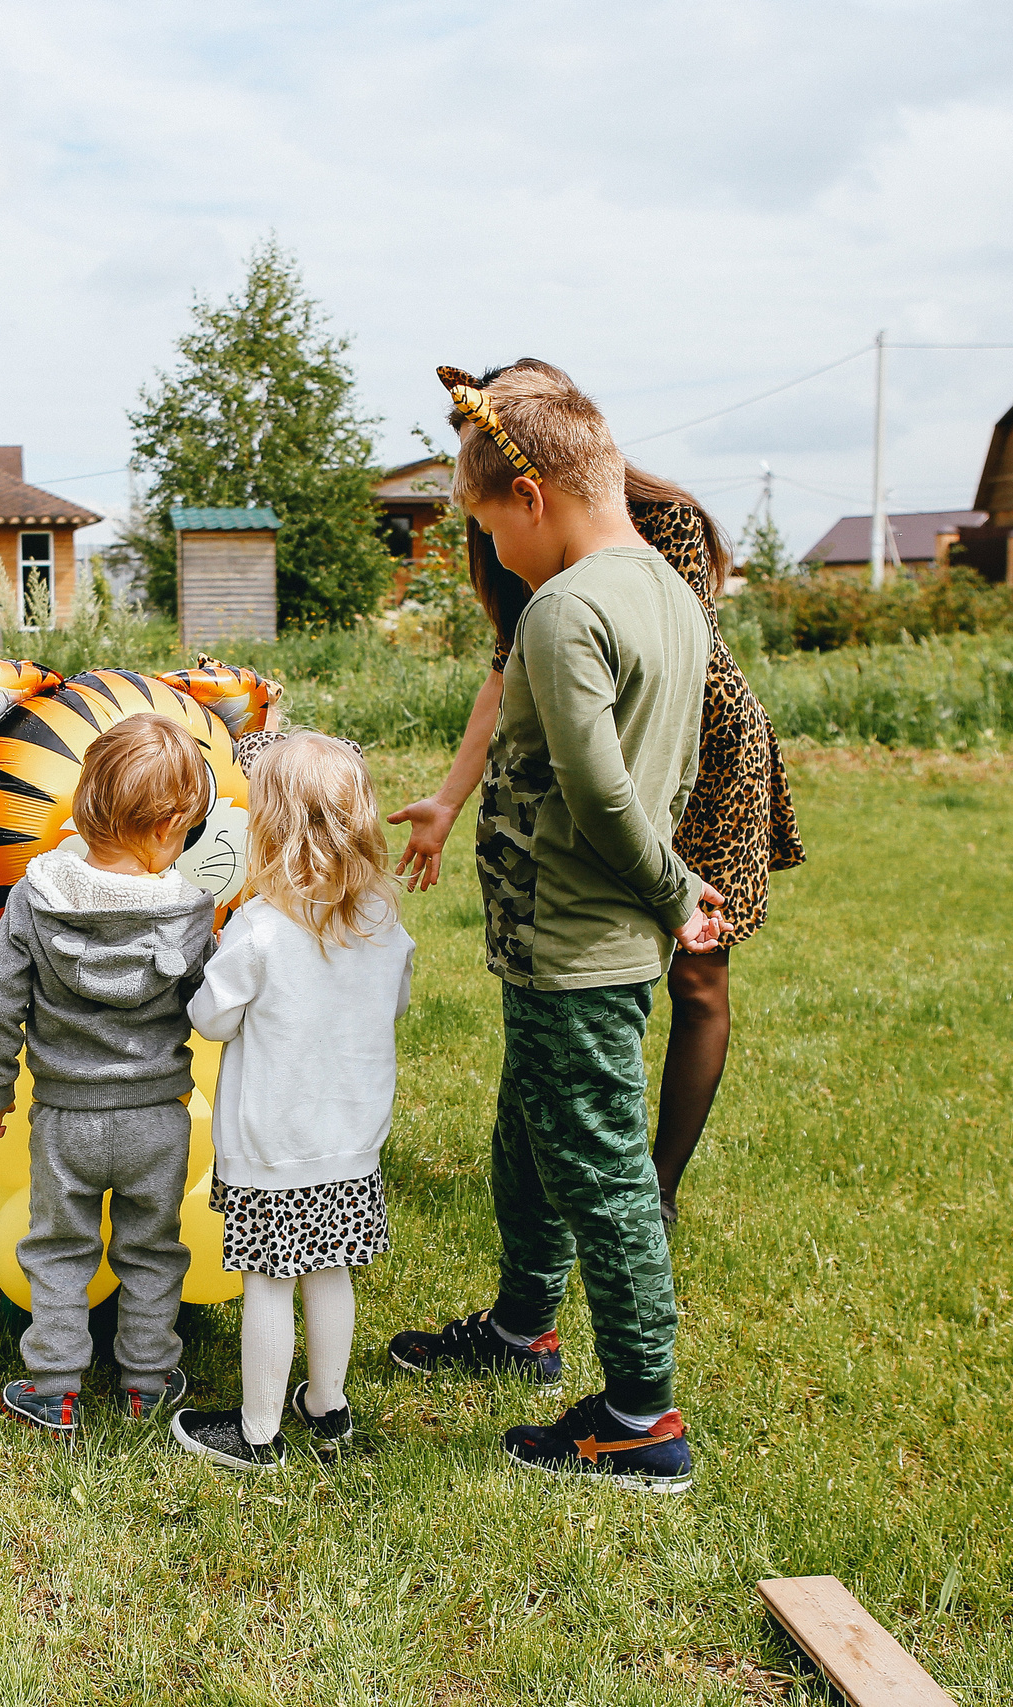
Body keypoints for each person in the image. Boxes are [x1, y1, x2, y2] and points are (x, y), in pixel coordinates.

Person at [383, 359, 719, 1493]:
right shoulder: (661, 588)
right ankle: (524, 1326)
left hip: (581, 943)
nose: (492, 554)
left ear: (529, 498)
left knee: (601, 1171)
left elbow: (602, 791)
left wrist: (675, 894)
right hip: (561, 946)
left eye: (485, 525)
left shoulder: (568, 610)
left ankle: (639, 1418)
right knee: (527, 1139)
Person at [390, 472, 803, 1227]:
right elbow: (512, 661)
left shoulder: (657, 521)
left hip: (695, 746)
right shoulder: (524, 537)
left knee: (701, 970)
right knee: (604, 955)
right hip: (604, 751)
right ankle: (575, 1170)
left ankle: (658, 1187)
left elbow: (683, 661)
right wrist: (449, 799)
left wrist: (666, 867)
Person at [0, 712, 218, 1437]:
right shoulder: (190, 913)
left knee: (58, 1247)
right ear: (172, 823)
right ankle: (145, 1377)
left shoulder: (34, 897)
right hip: (157, 1119)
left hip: (64, 1120)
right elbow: (212, 1008)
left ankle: (54, 1385)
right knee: (152, 1246)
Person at [170, 733, 415, 1471]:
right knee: (330, 1269)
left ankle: (256, 1431)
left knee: (270, 1280)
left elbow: (210, 1018)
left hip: (273, 1143)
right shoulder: (383, 925)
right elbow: (393, 1007)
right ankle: (328, 1406)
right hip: (351, 1141)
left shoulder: (259, 930)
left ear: (267, 828)